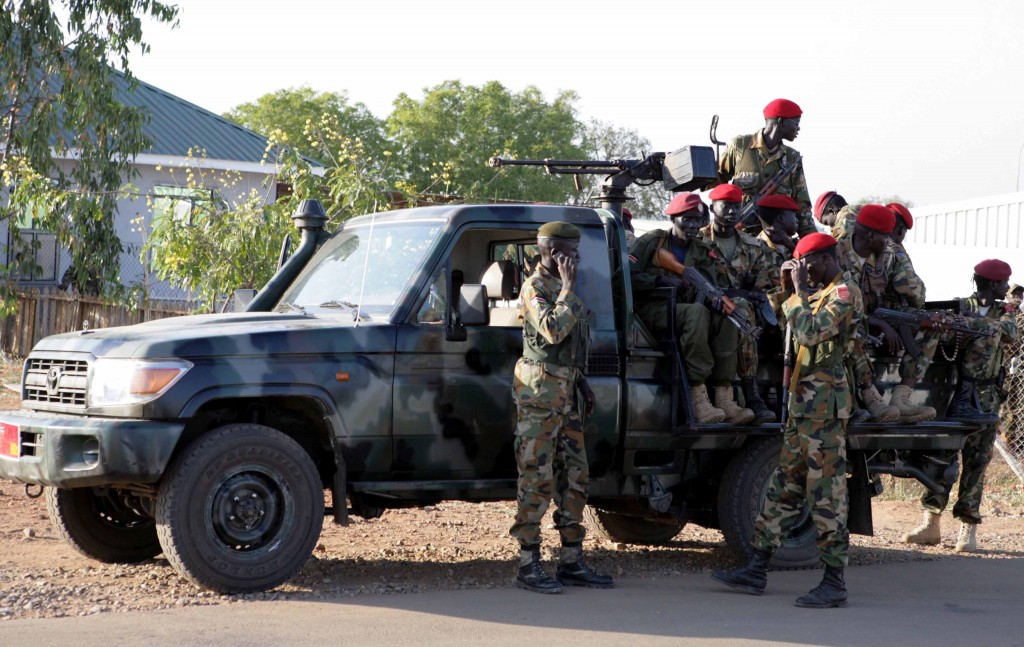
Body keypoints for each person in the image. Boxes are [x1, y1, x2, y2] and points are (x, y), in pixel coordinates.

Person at [711, 233, 862, 608]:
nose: (805, 272)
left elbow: (809, 332)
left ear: (825, 259)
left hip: (824, 409)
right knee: (785, 488)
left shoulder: (844, 293)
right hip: (803, 407)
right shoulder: (818, 293)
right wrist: (785, 289)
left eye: (808, 264)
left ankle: (834, 580)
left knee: (826, 494)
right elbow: (789, 324)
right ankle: (757, 567)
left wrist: (797, 289)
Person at [509, 221, 613, 594]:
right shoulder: (535, 288)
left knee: (575, 475)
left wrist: (580, 380)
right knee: (536, 476)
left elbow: (569, 344)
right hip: (540, 393)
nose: (577, 259)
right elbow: (552, 330)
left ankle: (571, 560)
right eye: (571, 252)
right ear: (552, 252)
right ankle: (527, 564)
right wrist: (568, 289)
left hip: (566, 390)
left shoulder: (560, 287)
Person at [902, 259, 1020, 552]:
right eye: (1003, 283)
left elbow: (1010, 333)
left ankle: (967, 529)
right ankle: (931, 523)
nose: (1007, 288)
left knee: (977, 462)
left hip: (985, 394)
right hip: (951, 393)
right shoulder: (958, 306)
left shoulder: (1004, 314)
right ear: (991, 284)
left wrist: (967, 324)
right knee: (942, 458)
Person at [629, 192, 740, 424]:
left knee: (727, 316)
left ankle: (724, 394)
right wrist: (659, 281)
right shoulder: (652, 242)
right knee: (697, 313)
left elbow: (712, 285)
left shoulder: (701, 250)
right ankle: (698, 394)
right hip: (651, 311)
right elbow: (625, 277)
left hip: (686, 312)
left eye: (697, 220)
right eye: (686, 219)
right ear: (673, 219)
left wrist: (717, 300)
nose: (692, 225)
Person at [688, 183, 775, 423]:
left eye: (736, 207)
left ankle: (749, 392)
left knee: (743, 308)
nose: (732, 212)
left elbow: (763, 287)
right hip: (704, 308)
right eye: (726, 206)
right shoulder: (697, 240)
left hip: (738, 312)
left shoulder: (753, 246)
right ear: (712, 208)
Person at [717, 98, 817, 237]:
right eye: (796, 123)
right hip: (739, 236)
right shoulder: (740, 146)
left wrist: (811, 242)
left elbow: (802, 206)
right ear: (781, 121)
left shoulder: (791, 158)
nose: (798, 128)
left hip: (775, 244)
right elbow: (716, 181)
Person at [756, 193, 800, 280]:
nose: (797, 220)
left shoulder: (793, 244)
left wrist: (792, 247)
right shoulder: (755, 249)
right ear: (781, 218)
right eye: (794, 216)